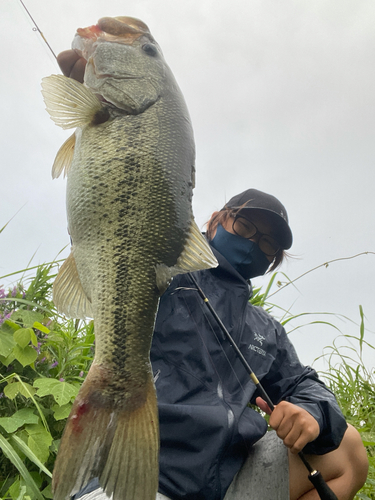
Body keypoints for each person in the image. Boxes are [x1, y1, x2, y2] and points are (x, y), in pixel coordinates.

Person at [57, 51, 368, 500]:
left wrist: (310, 412)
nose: (255, 245)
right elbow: (121, 212)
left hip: (224, 483)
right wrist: (93, 89)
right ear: (215, 219)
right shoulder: (166, 270)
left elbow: (305, 384)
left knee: (349, 451)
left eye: (268, 245)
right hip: (144, 473)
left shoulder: (266, 331)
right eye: (246, 226)